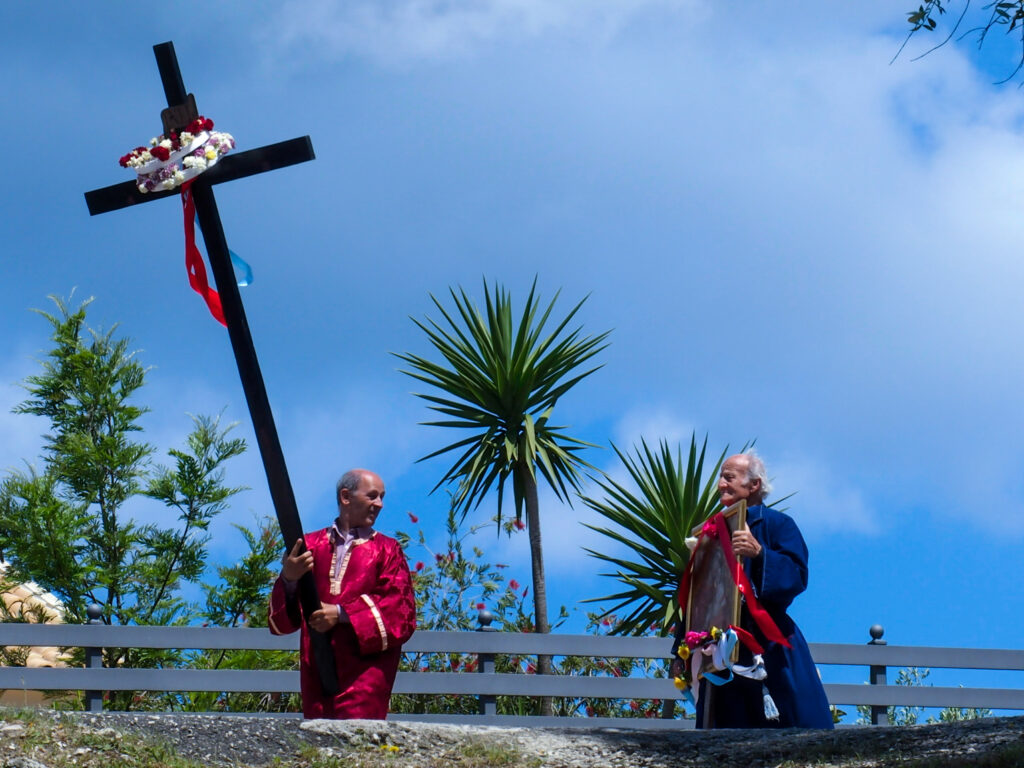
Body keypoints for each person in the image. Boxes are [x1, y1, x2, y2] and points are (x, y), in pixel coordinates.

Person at [671, 451, 833, 729]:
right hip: (719, 647)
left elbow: (796, 576)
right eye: (721, 477)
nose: (721, 484)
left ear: (754, 485)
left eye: (729, 477)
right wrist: (680, 652)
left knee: (786, 721)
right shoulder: (710, 533)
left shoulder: (777, 524)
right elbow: (695, 594)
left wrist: (759, 553)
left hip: (765, 642)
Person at [268, 468, 416, 719]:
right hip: (318, 664)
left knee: (359, 738)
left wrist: (341, 613)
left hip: (366, 671)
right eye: (372, 496)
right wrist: (289, 578)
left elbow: (399, 612)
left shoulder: (387, 550)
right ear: (346, 497)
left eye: (382, 497)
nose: (379, 504)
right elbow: (280, 623)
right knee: (317, 738)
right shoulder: (309, 545)